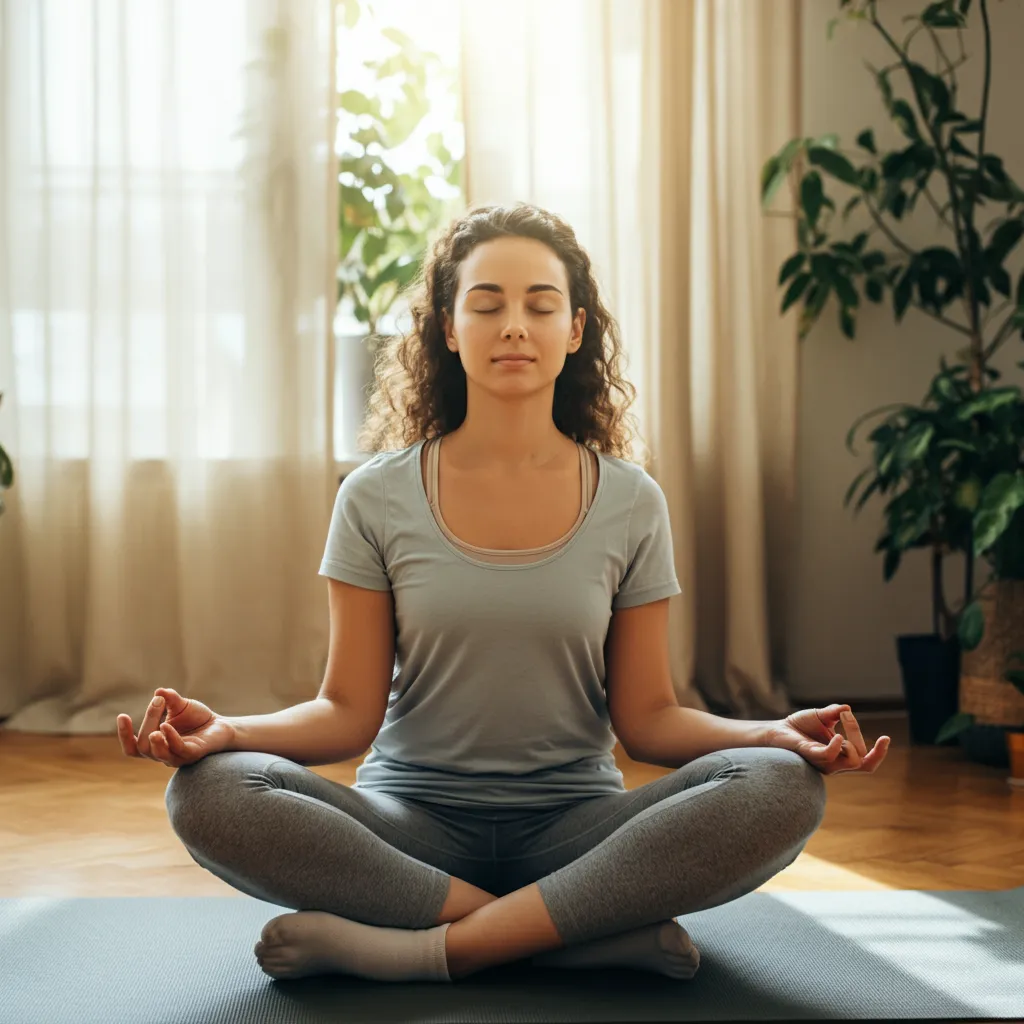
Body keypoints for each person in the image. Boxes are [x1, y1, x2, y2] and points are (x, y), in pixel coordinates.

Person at [117, 202, 890, 985]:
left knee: (783, 789)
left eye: (540, 305)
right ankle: (571, 929)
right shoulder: (376, 497)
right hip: (409, 828)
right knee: (208, 793)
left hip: (578, 830)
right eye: (486, 305)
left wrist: (772, 736)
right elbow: (346, 712)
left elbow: (649, 720)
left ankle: (424, 948)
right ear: (449, 329)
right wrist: (228, 731)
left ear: (576, 329)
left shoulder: (630, 501)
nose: (514, 325)